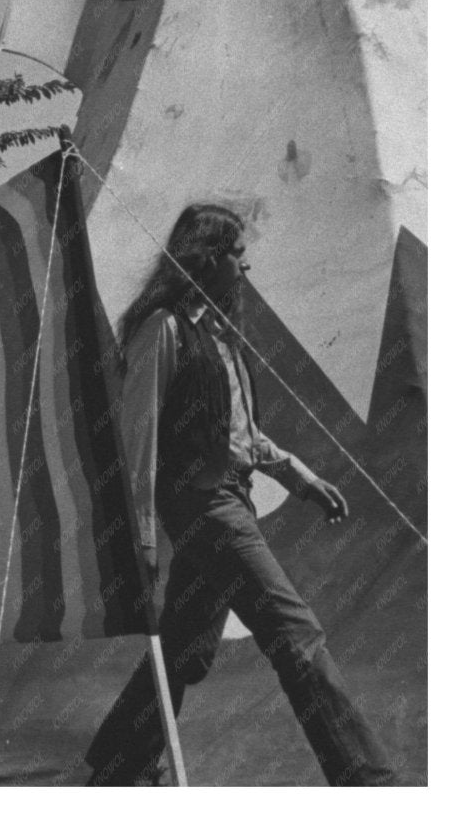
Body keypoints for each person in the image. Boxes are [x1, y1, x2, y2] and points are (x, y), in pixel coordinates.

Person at [84, 203, 397, 787]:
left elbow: (240, 434)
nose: (245, 261)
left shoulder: (215, 333)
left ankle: (118, 762)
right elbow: (140, 437)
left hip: (230, 496)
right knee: (294, 630)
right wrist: (143, 539)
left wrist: (296, 475)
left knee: (186, 645)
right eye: (234, 251)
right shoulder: (164, 328)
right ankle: (370, 786)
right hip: (204, 507)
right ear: (205, 256)